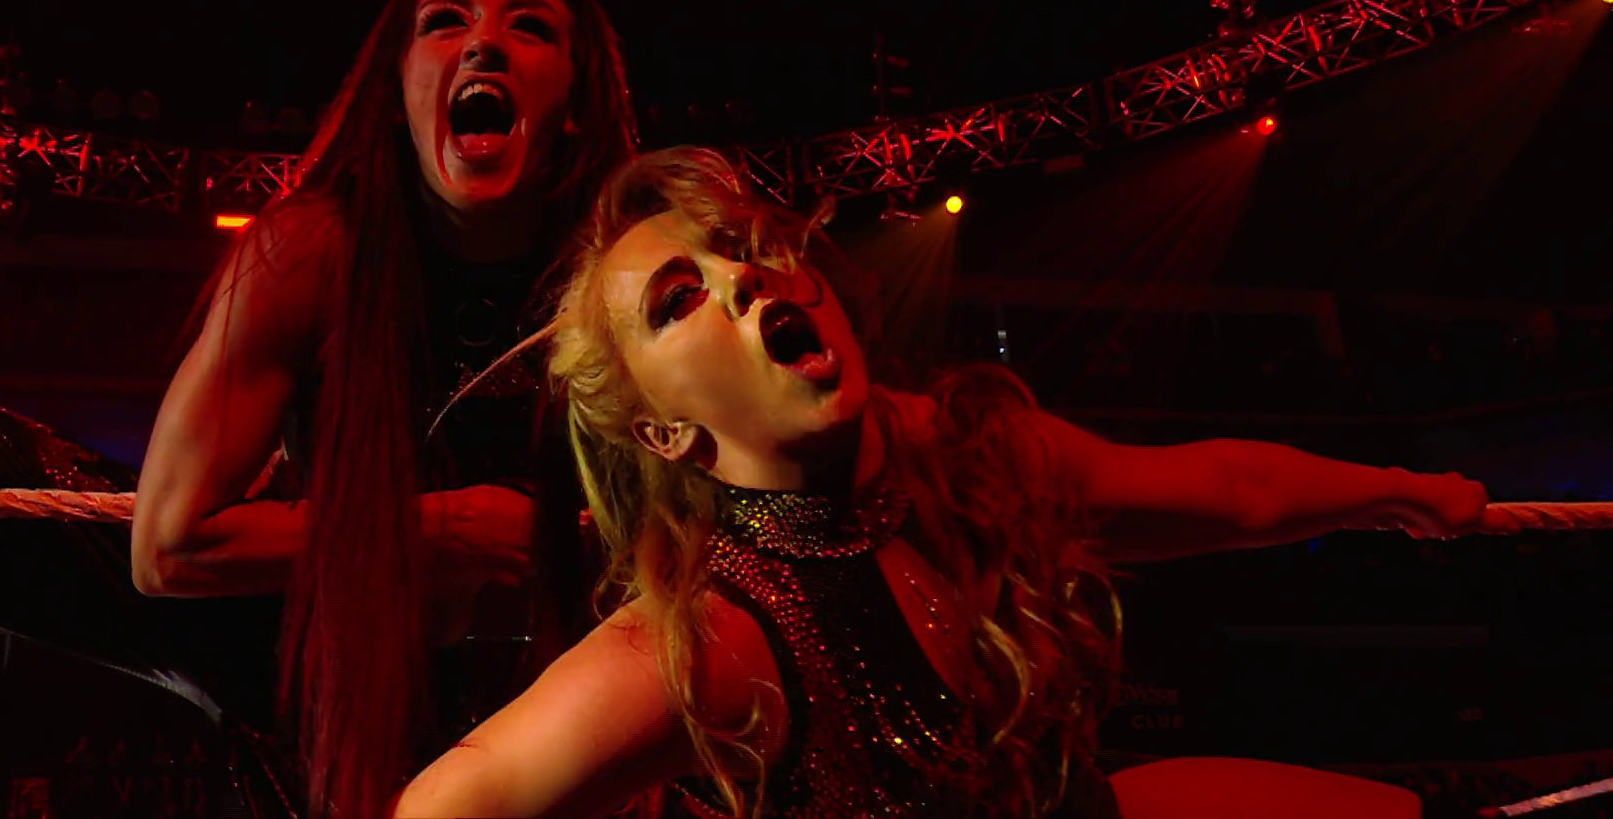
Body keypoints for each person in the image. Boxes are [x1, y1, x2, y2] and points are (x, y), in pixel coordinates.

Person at [0, 0, 638, 818]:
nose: (483, 44)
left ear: (575, 101)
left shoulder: (628, 270)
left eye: (528, 26)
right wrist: (441, 528)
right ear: (398, 92)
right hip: (298, 641)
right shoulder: (315, 249)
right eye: (445, 21)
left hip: (553, 676)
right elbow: (169, 547)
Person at [392, 147, 1500, 818]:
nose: (741, 276)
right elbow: (446, 804)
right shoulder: (710, 639)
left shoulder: (947, 458)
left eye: (740, 244)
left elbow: (1215, 489)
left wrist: (1401, 492)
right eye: (677, 300)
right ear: (664, 432)